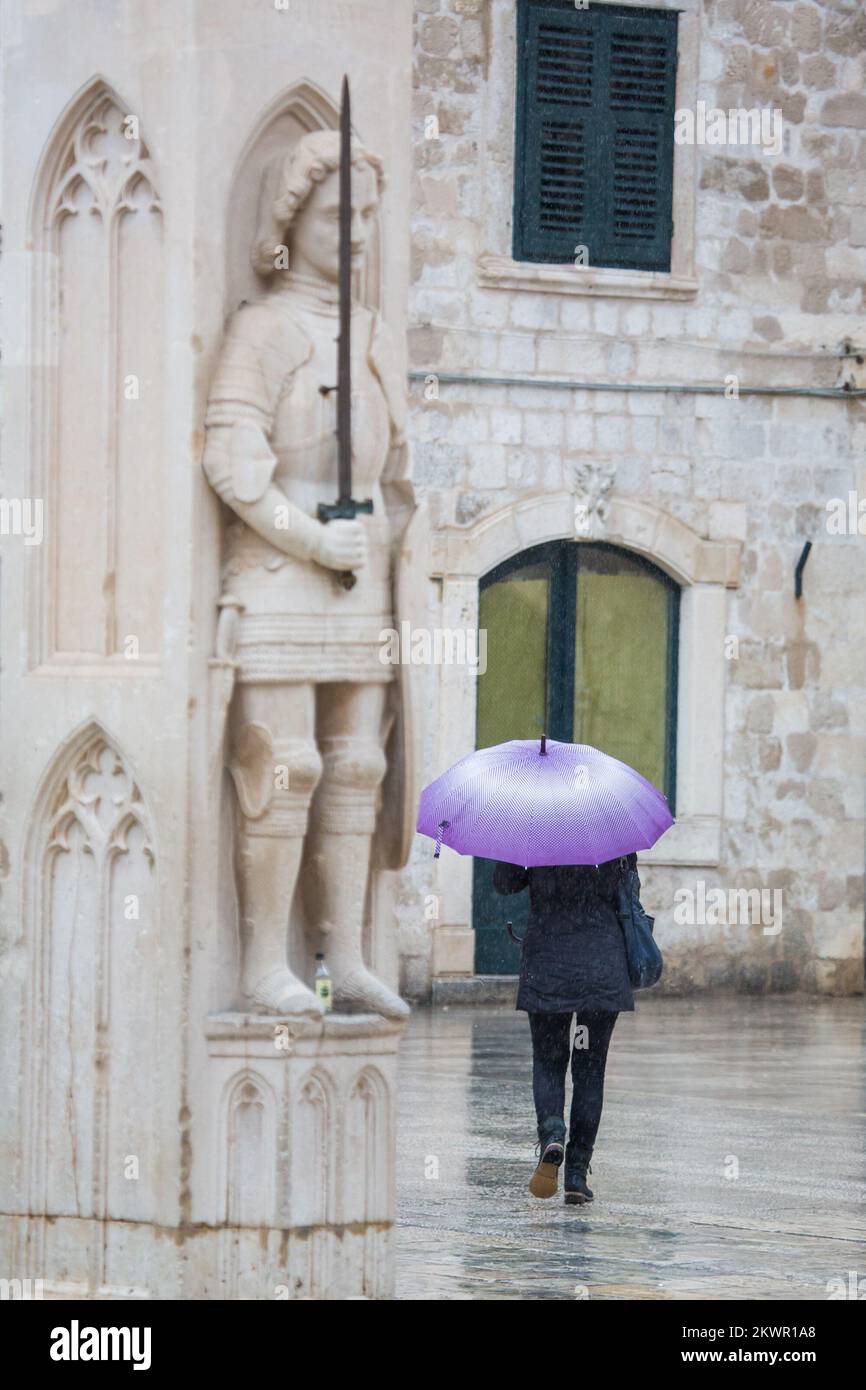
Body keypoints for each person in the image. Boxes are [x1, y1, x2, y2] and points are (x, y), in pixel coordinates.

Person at [493, 853, 643, 1204]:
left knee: (549, 1060)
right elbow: (630, 889)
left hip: (548, 965)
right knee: (589, 1069)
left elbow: (503, 884)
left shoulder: (536, 829)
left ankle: (552, 1134)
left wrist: (518, 857)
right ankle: (576, 1174)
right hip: (600, 967)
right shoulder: (610, 827)